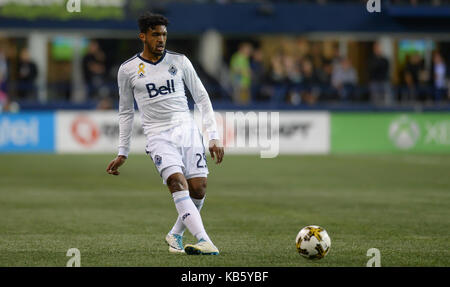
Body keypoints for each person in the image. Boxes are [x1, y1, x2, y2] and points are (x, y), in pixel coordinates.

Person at [106, 12, 224, 255]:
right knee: (176, 182)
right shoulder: (127, 70)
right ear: (143, 36)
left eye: (164, 35)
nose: (161, 39)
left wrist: (213, 135)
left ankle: (175, 234)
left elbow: (201, 97)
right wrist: (123, 151)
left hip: (187, 131)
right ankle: (204, 240)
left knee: (198, 188)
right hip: (158, 136)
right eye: (155, 34)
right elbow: (126, 112)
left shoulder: (179, 61)